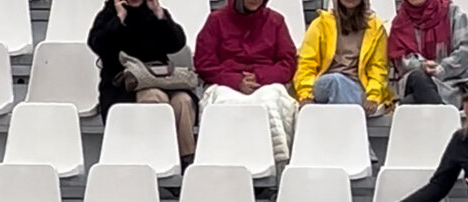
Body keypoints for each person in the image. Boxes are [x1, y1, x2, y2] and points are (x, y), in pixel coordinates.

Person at [88, 0, 195, 164]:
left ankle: (186, 160)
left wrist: (160, 15)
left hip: (161, 78)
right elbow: (98, 45)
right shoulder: (109, 14)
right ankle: (158, 157)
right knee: (154, 98)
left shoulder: (154, 13)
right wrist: (119, 19)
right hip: (125, 84)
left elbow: (177, 43)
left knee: (183, 101)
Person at [194, 0, 298, 166]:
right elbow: (204, 63)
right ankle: (221, 162)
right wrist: (236, 81)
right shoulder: (216, 20)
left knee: (270, 102)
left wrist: (260, 77)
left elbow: (288, 63)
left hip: (266, 83)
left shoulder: (276, 21)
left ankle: (276, 165)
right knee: (223, 101)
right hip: (226, 83)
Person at [294, 0, 393, 116]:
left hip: (359, 87)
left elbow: (378, 68)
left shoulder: (376, 28)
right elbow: (306, 63)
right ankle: (349, 125)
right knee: (336, 81)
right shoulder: (320, 24)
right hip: (326, 83)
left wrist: (373, 96)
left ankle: (336, 128)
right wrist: (305, 94)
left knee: (343, 90)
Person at [388, 0, 468, 107]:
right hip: (416, 82)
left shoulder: (453, 14)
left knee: (409, 103)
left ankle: (437, 112)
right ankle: (443, 114)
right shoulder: (400, 22)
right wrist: (422, 66)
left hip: (451, 83)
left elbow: (464, 53)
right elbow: (401, 60)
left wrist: (441, 68)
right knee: (418, 77)